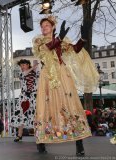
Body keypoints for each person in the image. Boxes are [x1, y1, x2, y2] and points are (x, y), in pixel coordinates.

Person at [32, 16, 99, 156]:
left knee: (70, 104)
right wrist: (59, 38)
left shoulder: (62, 41)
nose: (44, 28)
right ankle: (41, 141)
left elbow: (75, 49)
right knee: (45, 106)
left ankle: (79, 143)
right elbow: (47, 49)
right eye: (42, 26)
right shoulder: (38, 41)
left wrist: (83, 38)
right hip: (48, 77)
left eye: (47, 25)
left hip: (62, 74)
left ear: (53, 27)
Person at [11, 59, 38, 142]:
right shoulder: (21, 74)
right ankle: (19, 135)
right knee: (21, 115)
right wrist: (33, 67)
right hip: (23, 97)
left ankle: (38, 135)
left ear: (27, 65)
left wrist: (35, 68)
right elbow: (24, 74)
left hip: (33, 97)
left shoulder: (35, 74)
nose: (22, 67)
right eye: (21, 66)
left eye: (23, 65)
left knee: (36, 116)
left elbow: (40, 79)